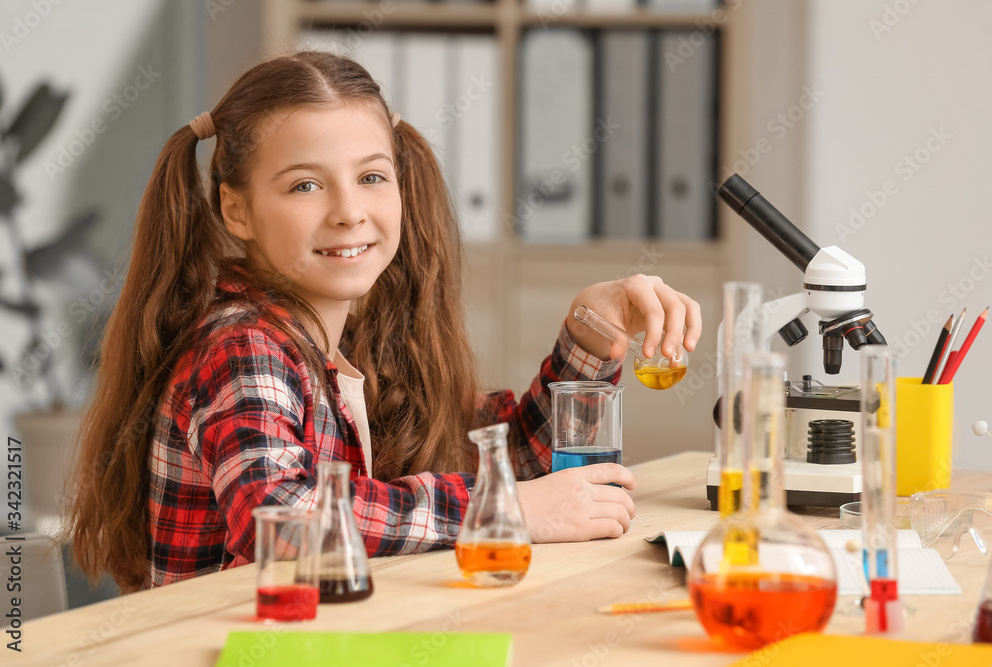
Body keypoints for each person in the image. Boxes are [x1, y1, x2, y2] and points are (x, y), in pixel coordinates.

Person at [64, 51, 701, 593]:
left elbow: (506, 460)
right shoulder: (243, 343)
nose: (349, 212)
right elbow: (284, 522)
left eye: (371, 177)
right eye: (305, 186)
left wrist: (590, 333)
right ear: (236, 210)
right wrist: (499, 509)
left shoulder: (349, 344)